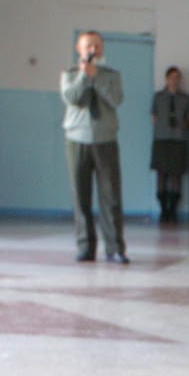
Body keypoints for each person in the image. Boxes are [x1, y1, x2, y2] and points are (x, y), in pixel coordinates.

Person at [59, 30, 128, 263]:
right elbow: (71, 98)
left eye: (97, 45)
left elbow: (116, 99)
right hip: (77, 139)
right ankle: (85, 247)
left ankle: (115, 248)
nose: (93, 50)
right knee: (81, 195)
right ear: (79, 49)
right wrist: (83, 76)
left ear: (102, 49)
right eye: (88, 45)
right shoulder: (69, 74)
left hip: (105, 139)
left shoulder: (112, 75)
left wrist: (96, 77)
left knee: (111, 196)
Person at [150, 65, 189, 223]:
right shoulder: (158, 97)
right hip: (161, 140)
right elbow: (154, 116)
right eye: (171, 77)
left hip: (178, 140)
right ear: (166, 79)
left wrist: (181, 127)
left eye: (177, 78)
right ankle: (163, 209)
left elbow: (188, 119)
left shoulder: (185, 99)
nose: (174, 81)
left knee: (176, 176)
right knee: (161, 175)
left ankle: (173, 209)